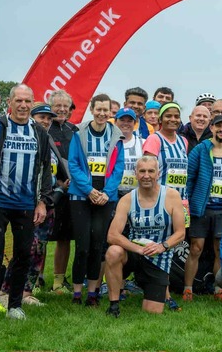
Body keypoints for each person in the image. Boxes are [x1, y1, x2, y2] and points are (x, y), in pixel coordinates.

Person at [0, 84, 53, 322]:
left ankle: (14, 304)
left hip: (26, 205)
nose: (23, 105)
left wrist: (42, 202)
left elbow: (45, 169)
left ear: (32, 103)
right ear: (9, 102)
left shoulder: (39, 132)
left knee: (23, 255)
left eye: (27, 101)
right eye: (18, 100)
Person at [0, 102, 70, 307]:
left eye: (49, 118)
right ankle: (5, 291)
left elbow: (52, 173)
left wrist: (60, 185)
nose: (46, 121)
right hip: (29, 203)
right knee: (26, 249)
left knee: (38, 250)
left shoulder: (47, 139)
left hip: (49, 204)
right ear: (32, 118)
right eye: (42, 117)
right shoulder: (29, 138)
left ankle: (26, 291)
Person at [104, 156, 186, 316]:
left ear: (158, 173)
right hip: (135, 254)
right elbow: (112, 235)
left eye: (150, 171)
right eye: (142, 171)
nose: (146, 175)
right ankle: (113, 305)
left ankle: (143, 284)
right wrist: (138, 249)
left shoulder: (172, 196)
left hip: (159, 258)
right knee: (113, 252)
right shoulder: (127, 199)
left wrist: (162, 246)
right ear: (136, 173)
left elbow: (181, 233)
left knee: (153, 312)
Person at [68, 93, 125, 306]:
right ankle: (76, 292)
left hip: (105, 197)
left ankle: (92, 292)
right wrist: (89, 190)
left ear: (111, 112)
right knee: (82, 245)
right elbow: (73, 164)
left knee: (97, 245)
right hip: (81, 195)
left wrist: (106, 193)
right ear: (92, 109)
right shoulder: (79, 133)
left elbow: (119, 167)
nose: (102, 113)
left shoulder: (116, 135)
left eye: (106, 110)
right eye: (98, 109)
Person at [184, 115, 222, 303]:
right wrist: (187, 201)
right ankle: (188, 289)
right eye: (218, 126)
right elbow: (189, 177)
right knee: (196, 248)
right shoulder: (201, 150)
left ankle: (219, 288)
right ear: (211, 127)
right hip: (202, 208)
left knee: (220, 250)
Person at [142, 102, 189, 311]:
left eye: (176, 116)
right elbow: (147, 170)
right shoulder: (154, 139)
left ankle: (163, 288)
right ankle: (165, 293)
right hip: (160, 199)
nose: (172, 119)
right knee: (161, 246)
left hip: (181, 200)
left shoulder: (184, 141)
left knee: (172, 245)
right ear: (160, 119)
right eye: (168, 116)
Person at [46, 89, 78, 294]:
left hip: (70, 192)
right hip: (48, 191)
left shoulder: (74, 130)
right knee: (39, 239)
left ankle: (58, 281)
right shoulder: (42, 127)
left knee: (64, 236)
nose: (61, 110)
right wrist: (57, 181)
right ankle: (36, 279)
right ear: (50, 107)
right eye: (57, 106)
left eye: (65, 106)